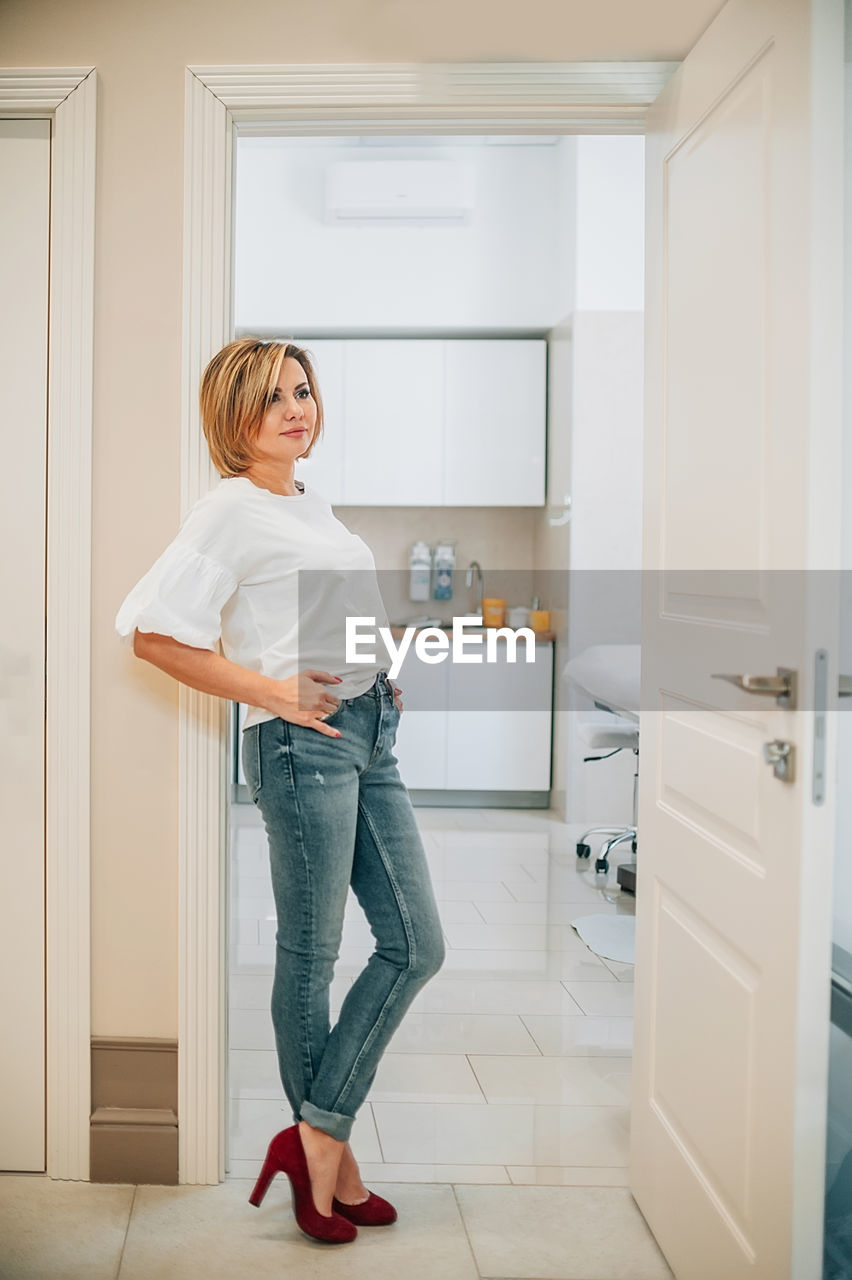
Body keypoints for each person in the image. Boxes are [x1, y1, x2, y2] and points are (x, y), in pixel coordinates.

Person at [116, 337, 446, 1245]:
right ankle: (326, 1165)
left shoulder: (311, 503)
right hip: (304, 751)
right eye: (271, 399)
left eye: (302, 391)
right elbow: (151, 633)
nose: (295, 409)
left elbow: (315, 615)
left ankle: (316, 1141)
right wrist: (273, 692)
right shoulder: (227, 511)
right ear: (235, 419)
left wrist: (376, 671)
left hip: (370, 733)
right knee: (312, 955)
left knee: (417, 944)